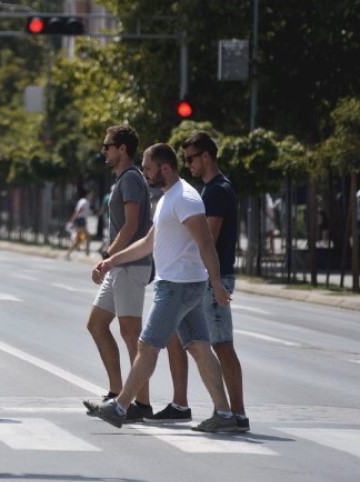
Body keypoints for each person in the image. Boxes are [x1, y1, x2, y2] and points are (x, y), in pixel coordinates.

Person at [86, 142, 239, 433]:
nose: (144, 174)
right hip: (183, 284)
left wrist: (217, 283)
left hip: (178, 286)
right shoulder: (168, 199)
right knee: (199, 347)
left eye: (147, 168)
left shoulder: (186, 198)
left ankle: (120, 406)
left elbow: (206, 242)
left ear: (164, 167)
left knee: (146, 345)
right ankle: (224, 413)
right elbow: (147, 243)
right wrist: (111, 262)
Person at [144, 132, 249, 432]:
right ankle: (186, 404)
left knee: (221, 344)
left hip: (211, 276)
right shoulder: (210, 190)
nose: (187, 164)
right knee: (188, 340)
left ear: (206, 157)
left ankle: (235, 414)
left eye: (191, 158)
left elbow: (207, 239)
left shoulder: (216, 191)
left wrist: (208, 278)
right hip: (203, 276)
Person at [82, 125, 154, 423]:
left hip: (130, 265)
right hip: (120, 267)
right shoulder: (124, 179)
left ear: (122, 149)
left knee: (131, 334)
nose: (104, 151)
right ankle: (116, 392)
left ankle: (142, 402)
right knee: (97, 324)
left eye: (107, 145)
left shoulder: (131, 179)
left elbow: (131, 224)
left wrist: (108, 257)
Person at [66, 190, 95, 259]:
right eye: (91, 194)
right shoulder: (84, 202)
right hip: (80, 221)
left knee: (81, 239)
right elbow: (78, 211)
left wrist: (72, 220)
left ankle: (69, 254)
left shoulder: (84, 201)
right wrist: (72, 220)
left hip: (81, 221)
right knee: (83, 238)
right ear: (88, 194)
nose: (92, 196)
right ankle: (86, 254)